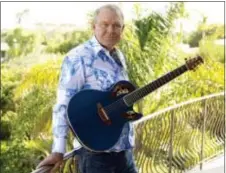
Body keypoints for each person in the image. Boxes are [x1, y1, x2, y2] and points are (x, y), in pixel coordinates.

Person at [37, 4, 138, 173]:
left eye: (116, 25)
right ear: (94, 27)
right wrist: (58, 150)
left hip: (124, 152)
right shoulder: (78, 57)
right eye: (105, 24)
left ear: (123, 29)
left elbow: (117, 98)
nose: (111, 30)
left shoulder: (119, 56)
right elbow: (63, 104)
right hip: (95, 157)